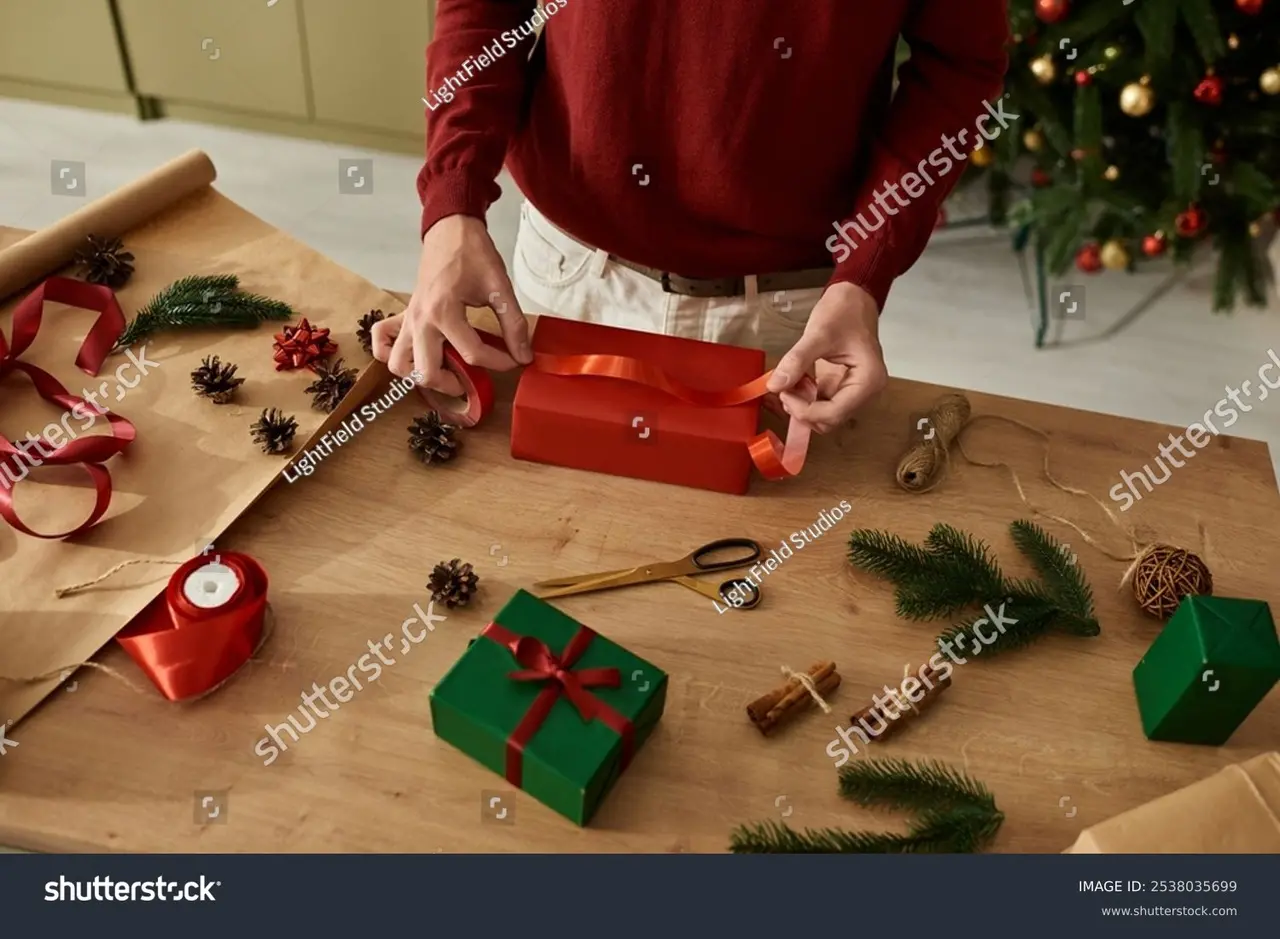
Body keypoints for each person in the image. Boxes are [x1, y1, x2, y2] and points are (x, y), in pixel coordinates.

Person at [374, 0, 1010, 433]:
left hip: (789, 313)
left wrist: (867, 265)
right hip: (562, 272)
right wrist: (453, 205)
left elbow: (960, 68)